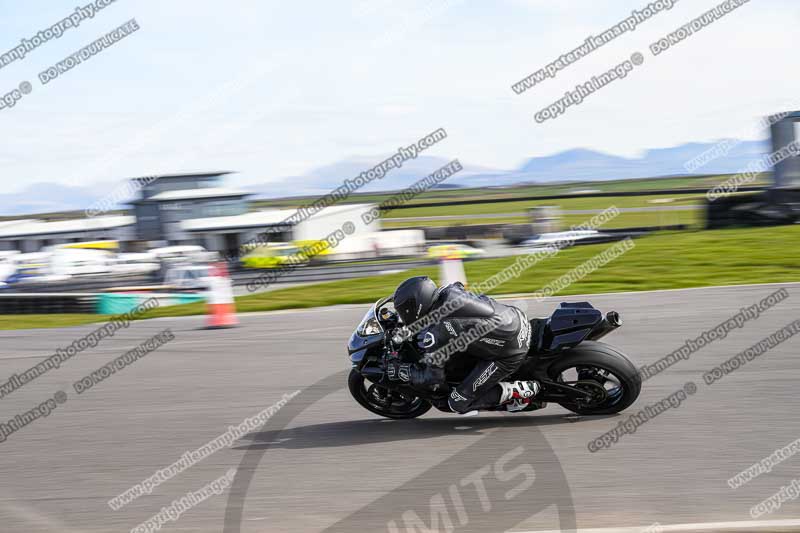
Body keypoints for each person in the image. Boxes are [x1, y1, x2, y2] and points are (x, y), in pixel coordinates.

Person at [386, 276, 541, 413]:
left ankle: (519, 392)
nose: (402, 315)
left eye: (403, 311)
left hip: (510, 352)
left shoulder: (437, 334)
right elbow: (459, 286)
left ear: (415, 308)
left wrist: (402, 371)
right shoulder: (448, 291)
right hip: (515, 318)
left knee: (457, 402)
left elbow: (433, 380)